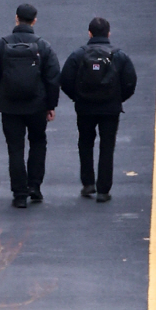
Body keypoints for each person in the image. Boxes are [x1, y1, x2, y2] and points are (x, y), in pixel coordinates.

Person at [0, 2, 60, 208]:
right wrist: (51, 105)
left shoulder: (1, 45)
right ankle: (34, 186)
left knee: (15, 148)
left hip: (10, 107)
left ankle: (19, 193)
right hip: (36, 105)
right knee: (37, 143)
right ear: (34, 21)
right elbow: (52, 77)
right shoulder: (43, 46)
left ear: (16, 18)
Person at [60, 15, 137, 203]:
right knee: (107, 145)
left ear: (89, 33)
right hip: (110, 108)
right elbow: (130, 81)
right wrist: (118, 99)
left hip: (85, 107)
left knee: (85, 142)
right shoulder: (119, 55)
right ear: (109, 34)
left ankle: (88, 183)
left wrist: (77, 97)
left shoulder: (78, 55)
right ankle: (104, 189)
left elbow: (65, 80)